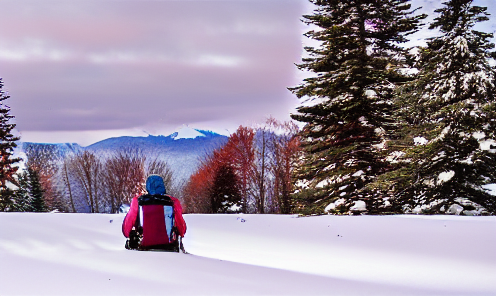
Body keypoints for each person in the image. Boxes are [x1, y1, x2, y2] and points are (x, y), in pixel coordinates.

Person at [122, 175, 187, 252]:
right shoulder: (173, 201)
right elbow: (182, 229)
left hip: (143, 246)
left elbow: (126, 230)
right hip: (169, 246)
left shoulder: (138, 201)